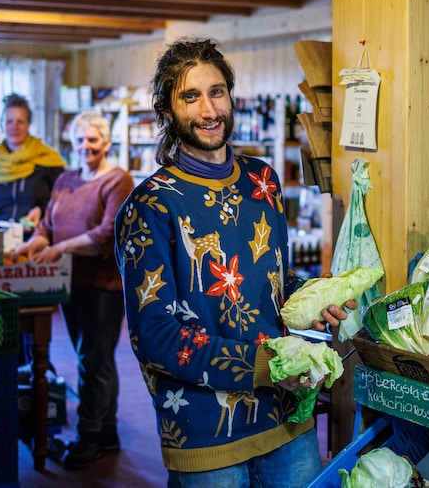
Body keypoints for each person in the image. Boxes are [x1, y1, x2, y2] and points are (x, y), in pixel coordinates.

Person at [114, 37, 351, 487]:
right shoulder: (150, 206)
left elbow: (272, 281)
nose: (209, 110)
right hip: (205, 436)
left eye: (217, 91)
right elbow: (156, 336)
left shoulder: (264, 180)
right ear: (167, 111)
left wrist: (312, 298)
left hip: (288, 421)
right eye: (191, 96)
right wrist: (268, 367)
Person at [11, 110, 134, 470]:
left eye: (93, 140)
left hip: (104, 286)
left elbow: (108, 233)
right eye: (80, 140)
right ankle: (106, 433)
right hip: (69, 283)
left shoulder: (118, 181)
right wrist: (34, 243)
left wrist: (59, 249)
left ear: (107, 143)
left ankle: (90, 437)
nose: (86, 147)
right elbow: (48, 223)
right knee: (92, 359)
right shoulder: (65, 180)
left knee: (94, 360)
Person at [0, 93, 65, 229]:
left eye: (20, 121)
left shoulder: (48, 160)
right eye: (9, 121)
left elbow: (63, 201)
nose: (14, 127)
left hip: (35, 239)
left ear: (29, 124)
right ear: (2, 124)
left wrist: (42, 211)